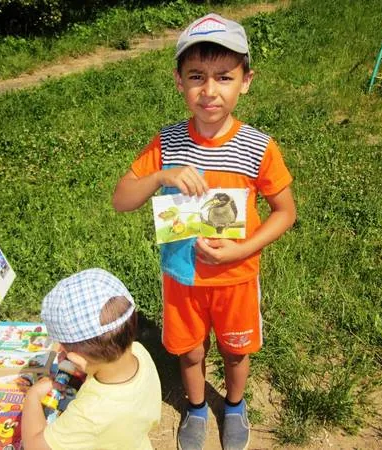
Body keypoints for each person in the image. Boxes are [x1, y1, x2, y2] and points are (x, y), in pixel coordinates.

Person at [112, 12, 297, 450]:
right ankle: (195, 408)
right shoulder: (167, 143)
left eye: (224, 77)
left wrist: (241, 251)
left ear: (245, 81)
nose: (209, 90)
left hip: (236, 278)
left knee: (235, 350)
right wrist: (161, 176)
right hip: (182, 279)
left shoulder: (259, 147)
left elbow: (285, 212)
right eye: (196, 76)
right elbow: (121, 200)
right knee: (190, 351)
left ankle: (233, 405)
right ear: (179, 81)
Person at [21, 268, 162, 450]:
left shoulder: (90, 414)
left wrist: (32, 396)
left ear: (77, 359)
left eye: (63, 348)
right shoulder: (139, 351)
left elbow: (35, 446)